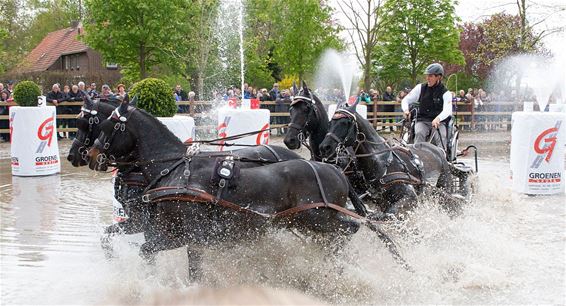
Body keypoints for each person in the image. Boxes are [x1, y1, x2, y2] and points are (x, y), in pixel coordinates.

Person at [402, 63, 452, 150]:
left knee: (441, 137)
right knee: (419, 133)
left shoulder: (446, 93)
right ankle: (417, 156)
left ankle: (442, 158)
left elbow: (447, 110)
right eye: (427, 75)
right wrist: (406, 110)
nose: (427, 78)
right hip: (423, 120)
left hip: (439, 123)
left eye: (430, 76)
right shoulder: (420, 88)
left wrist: (438, 118)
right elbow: (405, 100)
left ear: (438, 77)